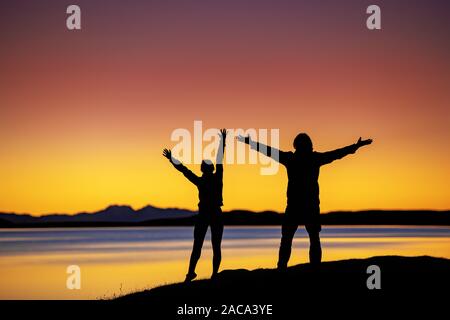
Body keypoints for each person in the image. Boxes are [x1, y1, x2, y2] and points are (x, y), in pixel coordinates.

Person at [237, 133, 372, 269]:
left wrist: (251, 143)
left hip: (297, 206)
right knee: (309, 238)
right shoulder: (312, 158)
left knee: (290, 239)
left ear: (296, 146)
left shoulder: (293, 158)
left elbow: (269, 151)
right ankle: (310, 268)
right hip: (308, 206)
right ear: (309, 145)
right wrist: (355, 147)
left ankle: (282, 267)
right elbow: (336, 154)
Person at [163, 129, 227, 281]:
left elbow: (184, 170)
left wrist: (172, 160)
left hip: (206, 214)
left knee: (198, 245)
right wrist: (222, 142)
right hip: (213, 214)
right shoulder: (217, 177)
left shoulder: (202, 180)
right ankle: (212, 274)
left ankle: (192, 273)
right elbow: (219, 160)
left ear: (202, 169)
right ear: (210, 168)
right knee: (214, 246)